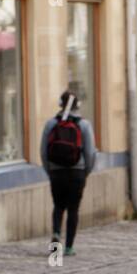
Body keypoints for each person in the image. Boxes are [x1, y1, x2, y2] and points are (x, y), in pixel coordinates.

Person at [40, 91, 96, 257]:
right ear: (78, 105)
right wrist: (86, 172)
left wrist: (49, 170)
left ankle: (56, 237)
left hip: (56, 173)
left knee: (58, 207)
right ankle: (70, 247)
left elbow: (43, 151)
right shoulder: (84, 125)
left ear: (60, 104)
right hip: (77, 173)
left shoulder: (51, 124)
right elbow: (90, 153)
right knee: (73, 209)